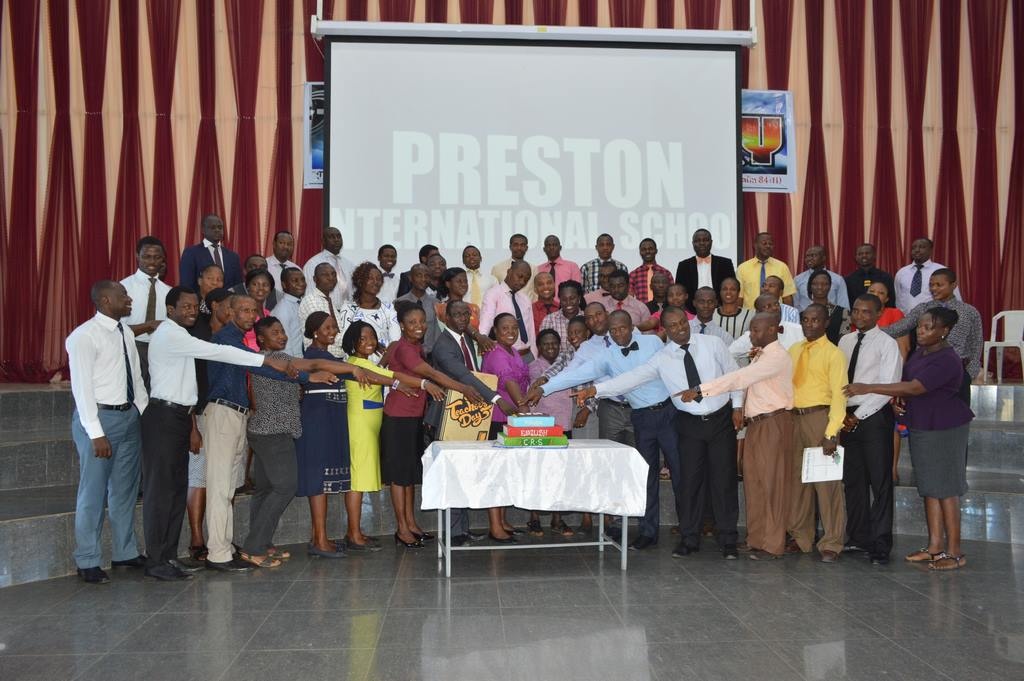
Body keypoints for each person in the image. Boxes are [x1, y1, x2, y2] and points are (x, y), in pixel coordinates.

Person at [142, 287, 297, 580]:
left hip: (192, 414)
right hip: (181, 415)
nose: (192, 311)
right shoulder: (179, 335)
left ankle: (191, 553)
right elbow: (217, 352)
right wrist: (266, 360)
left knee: (211, 488)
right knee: (194, 489)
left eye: (194, 306)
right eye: (185, 306)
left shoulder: (188, 336)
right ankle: (210, 554)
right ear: (170, 310)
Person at [578, 307, 744, 558]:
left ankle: (728, 540)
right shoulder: (662, 358)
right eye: (673, 326)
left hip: (720, 420)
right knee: (689, 483)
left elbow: (734, 375)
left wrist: (738, 407)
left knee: (724, 481)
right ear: (664, 329)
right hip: (688, 424)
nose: (680, 329)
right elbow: (631, 379)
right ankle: (689, 538)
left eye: (683, 323)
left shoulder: (713, 343)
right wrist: (595, 390)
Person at [201, 294, 335, 573]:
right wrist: (309, 377)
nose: (251, 315)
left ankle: (246, 546)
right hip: (251, 422)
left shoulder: (244, 344)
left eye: (254, 311)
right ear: (229, 311)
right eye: (244, 310)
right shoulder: (234, 343)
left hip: (246, 420)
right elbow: (272, 369)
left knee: (251, 488)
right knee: (280, 486)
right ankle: (245, 549)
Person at [845, 307, 974, 570]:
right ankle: (934, 546)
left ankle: (955, 553)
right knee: (929, 487)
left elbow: (915, 387)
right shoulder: (921, 351)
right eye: (919, 327)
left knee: (946, 489)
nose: (921, 332)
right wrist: (898, 401)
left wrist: (868, 387)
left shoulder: (947, 358)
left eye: (928, 328)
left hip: (945, 428)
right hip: (923, 425)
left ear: (944, 331)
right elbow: (907, 383)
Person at [535, 311, 671, 549]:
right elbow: (575, 374)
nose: (618, 334)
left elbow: (666, 372)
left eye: (622, 328)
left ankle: (689, 531)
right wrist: (543, 389)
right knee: (641, 473)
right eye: (613, 331)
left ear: (632, 326)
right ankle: (645, 531)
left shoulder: (652, 342)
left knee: (677, 471)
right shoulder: (607, 355)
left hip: (668, 413)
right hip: (638, 416)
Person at [239, 317, 354, 568]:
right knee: (285, 487)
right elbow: (301, 372)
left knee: (265, 490)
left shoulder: (274, 359)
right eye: (275, 333)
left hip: (264, 431)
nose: (282, 336)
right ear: (261, 339)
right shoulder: (274, 359)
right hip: (274, 432)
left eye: (282, 331)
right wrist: (312, 376)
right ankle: (253, 548)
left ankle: (262, 543)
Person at [681, 312, 795, 559]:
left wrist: (701, 390)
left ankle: (773, 544)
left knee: (772, 485)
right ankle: (756, 539)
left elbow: (740, 378)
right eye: (751, 329)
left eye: (756, 330)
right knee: (754, 484)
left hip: (773, 423)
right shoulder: (762, 354)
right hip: (756, 424)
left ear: (773, 330)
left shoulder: (776, 356)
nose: (751, 335)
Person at [66, 281, 149, 584]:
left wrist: (141, 410)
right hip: (100, 419)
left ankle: (125, 552)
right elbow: (82, 389)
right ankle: (87, 559)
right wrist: (95, 432)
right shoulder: (83, 336)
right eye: (122, 295)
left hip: (128, 417)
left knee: (125, 491)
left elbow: (135, 376)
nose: (128, 299)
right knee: (93, 492)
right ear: (104, 300)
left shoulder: (124, 331)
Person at [382, 302, 483, 548]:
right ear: (402, 326)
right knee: (399, 477)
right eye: (412, 322)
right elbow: (432, 374)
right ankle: (402, 529)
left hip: (413, 416)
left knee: (409, 475)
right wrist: (464, 388)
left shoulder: (415, 347)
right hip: (398, 418)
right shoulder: (404, 349)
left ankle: (411, 523)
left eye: (421, 321)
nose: (419, 326)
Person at [426, 301, 516, 545]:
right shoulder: (443, 345)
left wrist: (477, 335)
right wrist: (497, 399)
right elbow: (464, 376)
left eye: (466, 314)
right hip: (448, 415)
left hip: (467, 416)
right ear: (446, 318)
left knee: (465, 470)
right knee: (453, 473)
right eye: (456, 315)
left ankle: (462, 529)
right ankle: (453, 533)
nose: (463, 318)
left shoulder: (465, 337)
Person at [840, 293, 903, 565]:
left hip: (875, 417)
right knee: (853, 481)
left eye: (866, 312)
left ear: (879, 314)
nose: (860, 316)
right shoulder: (845, 341)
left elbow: (887, 386)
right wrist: (842, 414)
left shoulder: (887, 344)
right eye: (856, 311)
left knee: (880, 482)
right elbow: (838, 380)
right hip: (847, 416)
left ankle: (880, 543)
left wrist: (859, 415)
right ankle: (858, 537)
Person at [784, 304, 848, 563]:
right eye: (806, 320)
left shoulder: (834, 354)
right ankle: (801, 537)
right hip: (794, 419)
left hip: (820, 418)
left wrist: (832, 432)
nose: (809, 324)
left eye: (815, 320)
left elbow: (840, 396)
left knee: (826, 483)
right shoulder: (794, 349)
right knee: (797, 482)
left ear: (826, 322)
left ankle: (832, 541)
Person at [183, 286, 233, 565]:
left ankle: (221, 537)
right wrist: (192, 426)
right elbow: (189, 381)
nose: (233, 311)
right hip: (200, 414)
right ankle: (197, 539)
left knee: (226, 480)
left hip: (228, 415)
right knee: (199, 477)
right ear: (215, 306)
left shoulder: (233, 335)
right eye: (229, 306)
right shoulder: (197, 335)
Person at [481, 313, 535, 542]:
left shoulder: (513, 351)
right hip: (497, 418)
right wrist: (524, 409)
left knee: (506, 472)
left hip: (512, 418)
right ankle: (495, 526)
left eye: (514, 327)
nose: (511, 332)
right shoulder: (495, 353)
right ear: (495, 330)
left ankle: (502, 521)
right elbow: (509, 382)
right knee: (496, 472)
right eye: (505, 328)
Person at [884, 268, 983, 387]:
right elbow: (899, 328)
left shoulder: (969, 312)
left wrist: (969, 374)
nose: (934, 289)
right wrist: (872, 331)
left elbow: (976, 344)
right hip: (925, 369)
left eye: (939, 285)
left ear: (953, 285)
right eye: (931, 285)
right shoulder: (923, 308)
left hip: (957, 371)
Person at [527, 328, 575, 537]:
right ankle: (534, 518)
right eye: (546, 344)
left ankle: (557, 519)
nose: (550, 347)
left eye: (554, 343)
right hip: (541, 426)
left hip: (564, 426)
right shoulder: (534, 367)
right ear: (539, 347)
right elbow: (544, 382)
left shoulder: (568, 364)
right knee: (538, 473)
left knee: (560, 474)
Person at [120, 236, 171, 391]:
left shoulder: (168, 291)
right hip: (131, 346)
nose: (152, 262)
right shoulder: (123, 287)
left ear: (163, 259)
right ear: (137, 256)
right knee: (132, 392)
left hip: (159, 350)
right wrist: (149, 325)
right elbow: (117, 327)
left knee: (155, 393)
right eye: (146, 257)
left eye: (157, 257)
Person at [340, 261, 401, 355]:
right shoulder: (348, 308)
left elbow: (395, 339)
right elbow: (346, 339)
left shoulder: (388, 308)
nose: (376, 282)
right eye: (370, 278)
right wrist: (374, 345)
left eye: (378, 279)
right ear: (360, 281)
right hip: (356, 360)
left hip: (385, 359)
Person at [479, 260, 536, 361]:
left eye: (526, 280)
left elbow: (531, 331)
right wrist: (482, 340)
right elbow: (486, 322)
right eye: (520, 276)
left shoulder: (525, 299)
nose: (522, 282)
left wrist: (534, 356)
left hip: (528, 355)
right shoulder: (493, 294)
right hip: (505, 357)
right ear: (509, 271)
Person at [894, 237, 962, 314]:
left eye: (922, 247)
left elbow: (955, 298)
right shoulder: (902, 272)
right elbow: (898, 299)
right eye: (914, 247)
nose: (917, 250)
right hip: (906, 318)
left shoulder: (942, 271)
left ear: (930, 250)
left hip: (934, 318)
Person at [675, 228, 737, 312]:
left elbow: (732, 287)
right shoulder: (683, 265)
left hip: (720, 310)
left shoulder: (725, 263)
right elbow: (679, 291)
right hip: (692, 311)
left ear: (711, 242)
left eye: (705, 240)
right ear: (693, 244)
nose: (702, 243)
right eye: (698, 241)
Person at [728, 294, 806, 358]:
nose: (775, 308)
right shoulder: (752, 335)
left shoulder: (798, 330)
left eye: (777, 304)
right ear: (758, 312)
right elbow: (729, 354)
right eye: (768, 306)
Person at [179, 213, 243, 289]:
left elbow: (238, 286)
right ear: (203, 230)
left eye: (220, 227)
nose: (217, 230)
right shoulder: (191, 253)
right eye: (213, 227)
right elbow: (186, 285)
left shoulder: (233, 257)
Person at [736, 232, 796, 308]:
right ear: (755, 246)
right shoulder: (743, 268)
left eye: (770, 244)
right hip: (751, 313)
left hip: (775, 312)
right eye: (764, 243)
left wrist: (789, 314)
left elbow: (787, 296)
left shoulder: (782, 267)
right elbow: (739, 298)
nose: (768, 246)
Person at [298, 263, 346, 357]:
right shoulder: (311, 301)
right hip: (320, 358)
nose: (331, 278)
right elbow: (325, 332)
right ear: (315, 279)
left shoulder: (328, 300)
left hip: (332, 357)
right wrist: (353, 340)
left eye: (333, 274)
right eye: (325, 275)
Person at [303, 227, 356, 309]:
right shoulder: (313, 263)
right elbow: (309, 293)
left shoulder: (349, 265)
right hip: (324, 312)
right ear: (323, 241)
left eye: (338, 236)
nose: (336, 240)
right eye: (331, 237)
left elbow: (354, 292)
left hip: (348, 312)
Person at [396, 263, 441, 356]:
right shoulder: (398, 303)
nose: (423, 279)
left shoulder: (437, 303)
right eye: (419, 275)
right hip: (406, 355)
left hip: (431, 355)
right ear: (411, 278)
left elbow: (438, 333)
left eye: (426, 276)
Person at [793, 245, 849, 311]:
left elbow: (844, 306)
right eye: (807, 256)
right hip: (805, 316)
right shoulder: (798, 279)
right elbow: (795, 306)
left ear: (823, 258)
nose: (809, 259)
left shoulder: (838, 280)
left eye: (813, 255)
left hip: (831, 316)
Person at [806, 269, 851, 345]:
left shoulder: (843, 313)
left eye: (824, 284)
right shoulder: (803, 314)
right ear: (810, 286)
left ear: (830, 287)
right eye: (815, 284)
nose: (820, 287)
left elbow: (844, 342)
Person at [844, 243, 895, 308]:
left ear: (874, 256)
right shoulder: (848, 279)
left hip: (881, 313)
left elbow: (891, 300)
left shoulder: (886, 277)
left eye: (867, 253)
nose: (864, 256)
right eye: (860, 254)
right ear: (856, 257)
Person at [540, 280, 584, 354]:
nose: (568, 302)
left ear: (579, 298)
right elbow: (544, 349)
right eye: (564, 299)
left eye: (572, 298)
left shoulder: (587, 318)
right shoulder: (549, 320)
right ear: (559, 299)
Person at [490, 233, 535, 300]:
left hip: (527, 306)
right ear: (510, 247)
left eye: (522, 245)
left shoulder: (534, 269)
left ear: (526, 248)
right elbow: (493, 292)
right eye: (516, 245)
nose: (519, 248)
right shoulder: (497, 268)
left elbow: (535, 293)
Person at [628, 238, 673, 303]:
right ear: (640, 252)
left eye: (650, 248)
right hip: (641, 309)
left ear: (656, 251)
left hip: (662, 308)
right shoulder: (633, 274)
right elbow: (629, 298)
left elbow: (671, 294)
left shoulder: (666, 273)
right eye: (644, 249)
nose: (647, 251)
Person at [274, 267, 306, 357]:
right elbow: (284, 345)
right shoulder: (282, 310)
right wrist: (292, 363)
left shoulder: (301, 303)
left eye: (303, 280)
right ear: (284, 285)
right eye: (295, 281)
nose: (301, 284)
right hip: (294, 359)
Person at [241, 268, 275, 350]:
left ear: (270, 290)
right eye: (255, 284)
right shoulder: (241, 312)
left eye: (265, 285)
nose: (261, 288)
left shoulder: (268, 314)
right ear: (247, 287)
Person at [531, 271, 560, 336]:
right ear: (535, 289)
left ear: (554, 285)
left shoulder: (561, 308)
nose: (546, 287)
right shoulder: (530, 310)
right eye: (540, 284)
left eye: (549, 283)